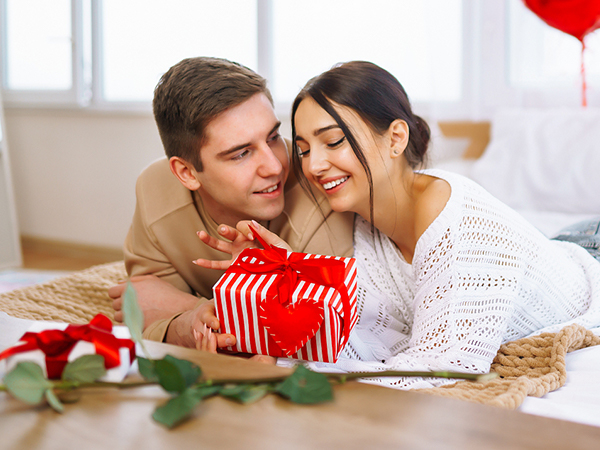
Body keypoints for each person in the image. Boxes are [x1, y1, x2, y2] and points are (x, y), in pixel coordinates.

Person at [200, 61, 600, 389]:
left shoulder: (460, 227)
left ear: (395, 138)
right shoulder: (362, 226)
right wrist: (285, 277)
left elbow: (441, 366)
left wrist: (289, 379)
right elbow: (372, 333)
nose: (314, 165)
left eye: (334, 141)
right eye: (303, 149)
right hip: (559, 246)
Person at [108, 57, 354, 350]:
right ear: (186, 173)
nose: (274, 166)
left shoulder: (319, 196)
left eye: (274, 137)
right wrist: (185, 322)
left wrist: (189, 311)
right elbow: (144, 308)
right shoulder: (155, 190)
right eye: (241, 154)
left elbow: (322, 336)